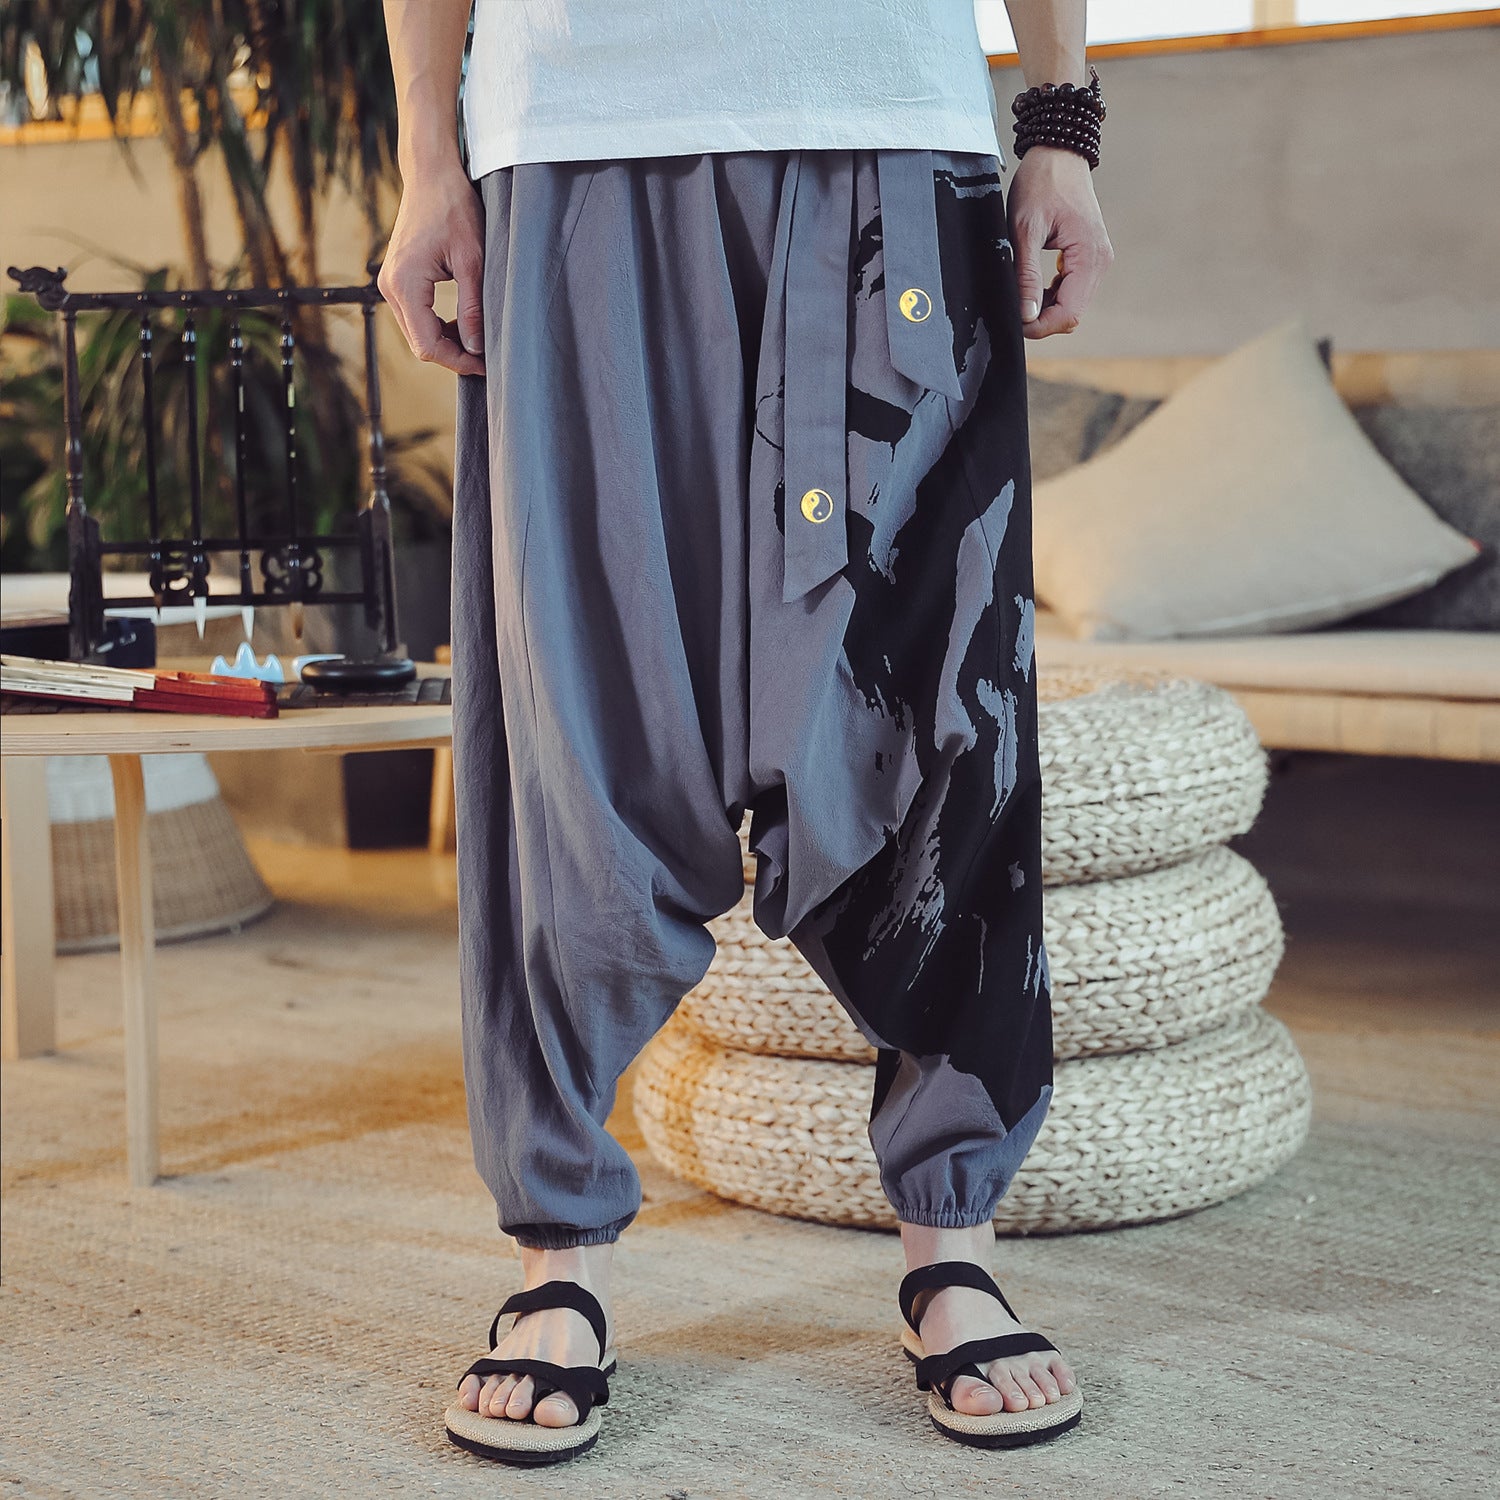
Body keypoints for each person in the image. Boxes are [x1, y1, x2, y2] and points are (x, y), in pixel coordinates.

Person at [379, 0, 1113, 1466]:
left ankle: (951, 1244)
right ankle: (556, 1258)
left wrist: (1061, 125)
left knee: (934, 713)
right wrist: (426, 160)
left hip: (887, 127)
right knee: (580, 723)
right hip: (573, 139)